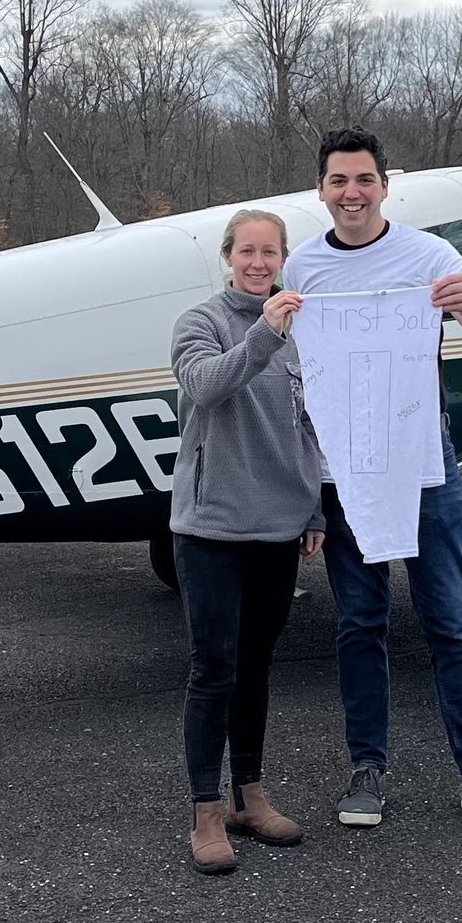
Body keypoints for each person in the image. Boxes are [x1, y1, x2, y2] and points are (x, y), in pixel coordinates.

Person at [282, 127, 462, 833]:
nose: (352, 193)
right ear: (321, 191)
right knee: (360, 622)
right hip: (344, 470)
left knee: (450, 619)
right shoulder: (302, 268)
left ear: (385, 187)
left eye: (364, 179)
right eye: (339, 181)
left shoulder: (431, 256)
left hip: (425, 463)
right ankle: (367, 768)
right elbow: (293, 367)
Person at [168, 208, 327, 874]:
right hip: (210, 527)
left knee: (257, 665)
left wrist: (314, 508)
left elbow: (306, 424)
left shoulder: (300, 331)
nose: (259, 263)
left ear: (282, 258)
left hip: (277, 525)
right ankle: (206, 813)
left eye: (270, 253)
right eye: (247, 252)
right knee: (215, 668)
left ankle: (248, 797)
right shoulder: (200, 322)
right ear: (228, 257)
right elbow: (206, 385)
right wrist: (265, 330)